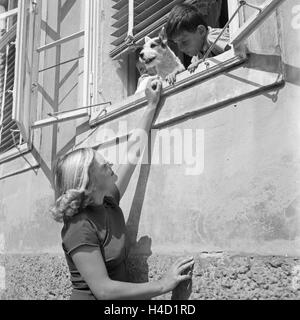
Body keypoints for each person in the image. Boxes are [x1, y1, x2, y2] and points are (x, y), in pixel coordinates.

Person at [51, 77, 194, 300]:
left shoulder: (106, 201)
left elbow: (132, 153)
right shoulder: (79, 227)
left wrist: (150, 106)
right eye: (102, 164)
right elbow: (104, 290)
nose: (109, 163)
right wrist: (162, 285)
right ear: (89, 182)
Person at [165, 3, 231, 73]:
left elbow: (237, 50)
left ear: (201, 31)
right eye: (177, 44)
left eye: (184, 41)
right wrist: (178, 74)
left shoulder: (212, 37)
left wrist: (205, 62)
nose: (180, 48)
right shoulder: (198, 52)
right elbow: (191, 70)